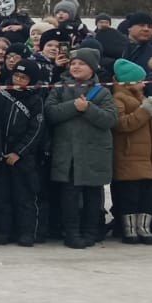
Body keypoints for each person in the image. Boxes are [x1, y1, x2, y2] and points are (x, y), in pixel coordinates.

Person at [46, 48, 118, 249]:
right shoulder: (59, 88)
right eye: (74, 63)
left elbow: (110, 119)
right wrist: (74, 107)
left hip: (94, 153)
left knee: (92, 196)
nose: (76, 67)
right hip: (67, 154)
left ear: (92, 67)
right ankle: (71, 233)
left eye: (82, 63)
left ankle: (90, 232)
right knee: (69, 196)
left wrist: (89, 109)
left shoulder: (102, 91)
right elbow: (50, 113)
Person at [0, 59, 47, 246]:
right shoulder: (0, 94)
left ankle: (26, 232)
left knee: (24, 197)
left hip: (23, 158)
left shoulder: (36, 100)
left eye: (23, 77)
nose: (18, 80)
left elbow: (36, 129)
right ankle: (3, 231)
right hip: (1, 155)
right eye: (16, 75)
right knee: (1, 196)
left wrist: (19, 152)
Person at [111, 58, 152, 245]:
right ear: (129, 81)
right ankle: (130, 229)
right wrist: (144, 111)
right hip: (129, 156)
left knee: (148, 197)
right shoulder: (118, 98)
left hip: (149, 157)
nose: (144, 83)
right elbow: (121, 124)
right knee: (130, 197)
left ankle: (145, 227)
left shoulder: (141, 97)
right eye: (140, 80)